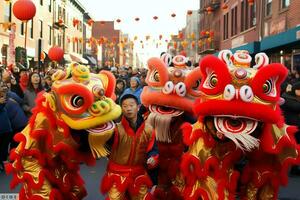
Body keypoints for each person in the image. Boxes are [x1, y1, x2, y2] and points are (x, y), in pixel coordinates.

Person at [101, 94, 159, 200]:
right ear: (121, 109)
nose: (128, 108)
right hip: (117, 174)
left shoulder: (149, 129)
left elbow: (153, 149)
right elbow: (106, 145)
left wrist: (153, 157)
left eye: (131, 105)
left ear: (138, 107)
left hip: (138, 173)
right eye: (125, 106)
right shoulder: (115, 129)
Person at [281, 81, 300, 175]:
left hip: (296, 126)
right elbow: (296, 107)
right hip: (291, 127)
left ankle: (294, 166)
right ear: (296, 90)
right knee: (292, 147)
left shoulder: (294, 97)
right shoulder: (286, 98)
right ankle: (292, 167)